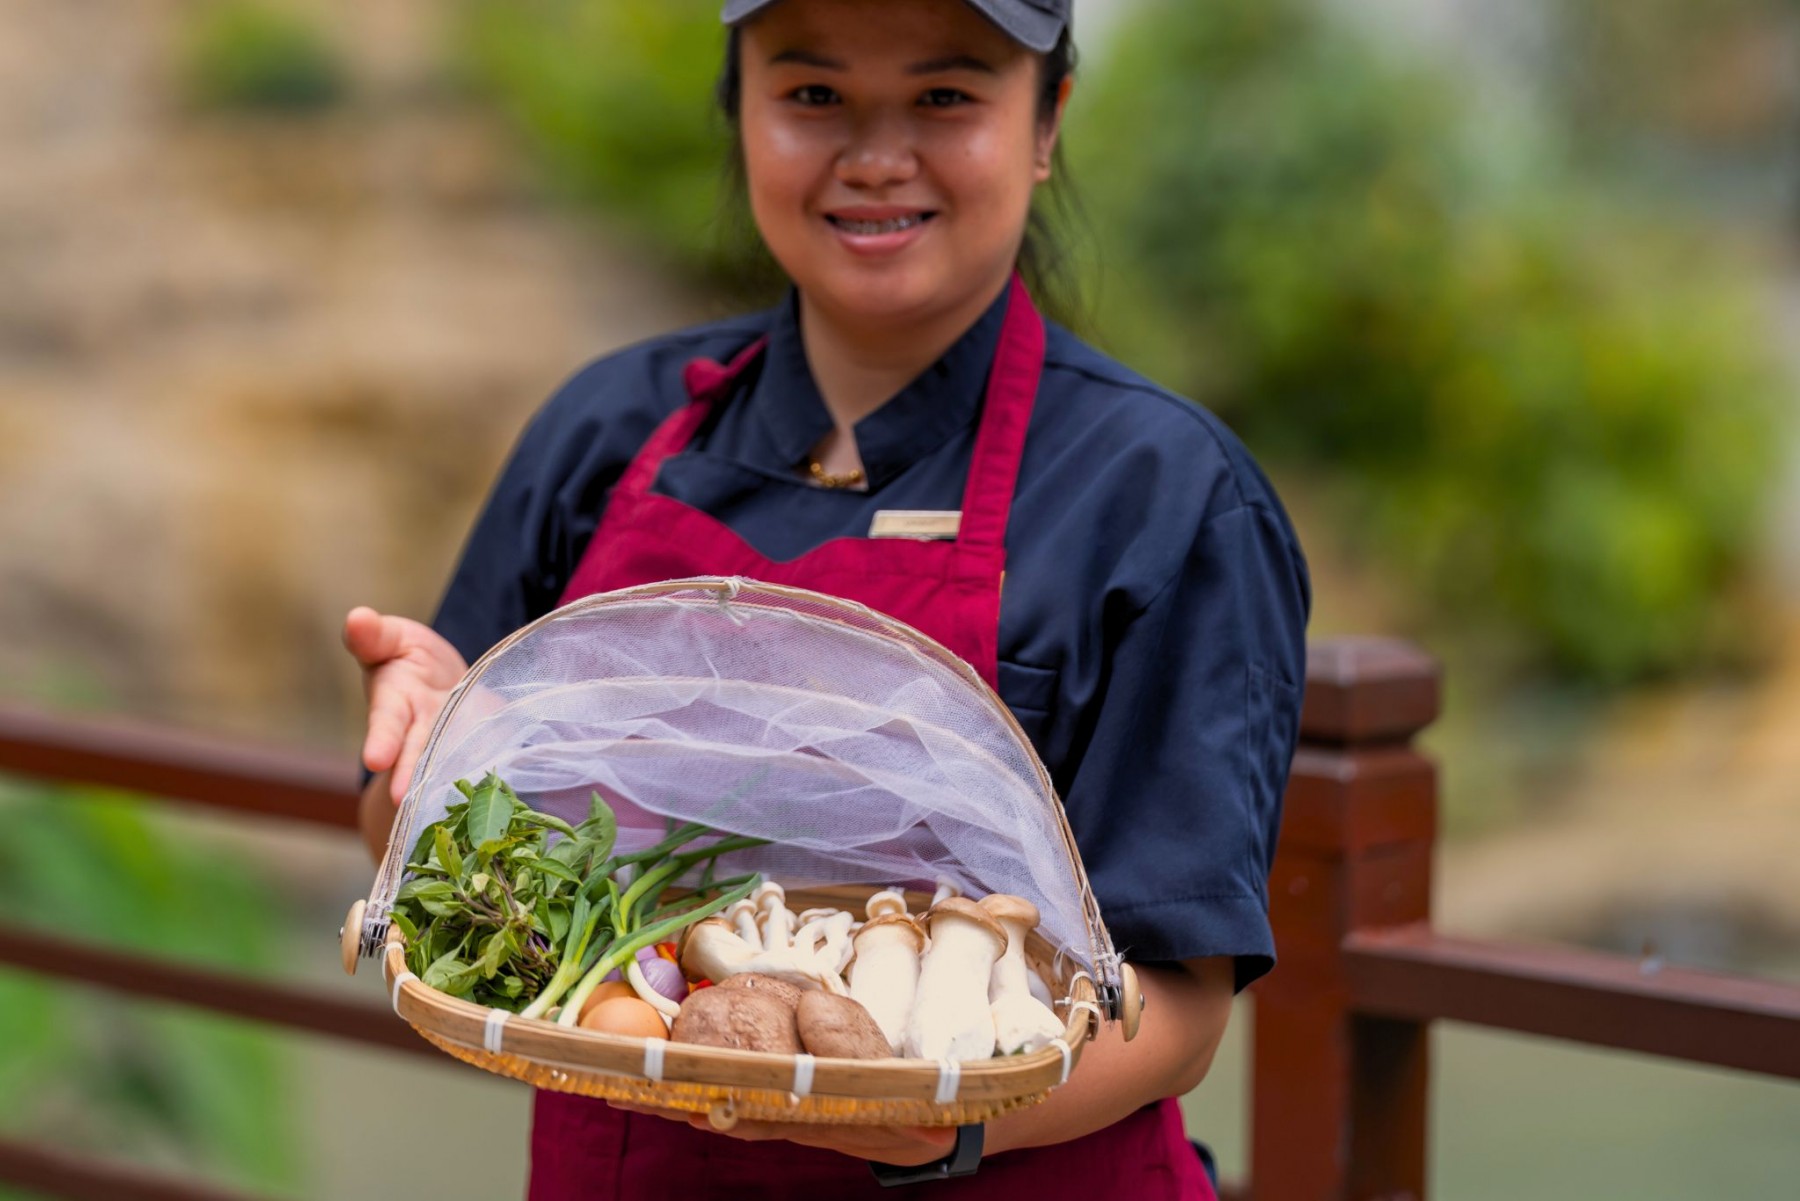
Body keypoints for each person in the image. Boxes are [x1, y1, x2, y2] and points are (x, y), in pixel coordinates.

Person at [344, 0, 1309, 1196]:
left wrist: (923, 1119)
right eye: (813, 95)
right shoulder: (606, 430)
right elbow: (410, 855)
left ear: (1049, 117)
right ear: (739, 110)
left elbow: (1178, 1002)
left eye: (945, 96)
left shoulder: (1161, 492)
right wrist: (421, 753)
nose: (876, 155)